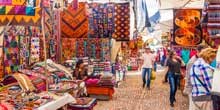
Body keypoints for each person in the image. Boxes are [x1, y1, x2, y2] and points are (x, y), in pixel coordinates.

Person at [183, 45, 206, 110]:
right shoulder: (192, 62)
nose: (204, 54)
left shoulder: (202, 59)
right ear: (197, 51)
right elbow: (188, 77)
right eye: (203, 52)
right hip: (193, 90)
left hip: (200, 89)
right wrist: (188, 89)